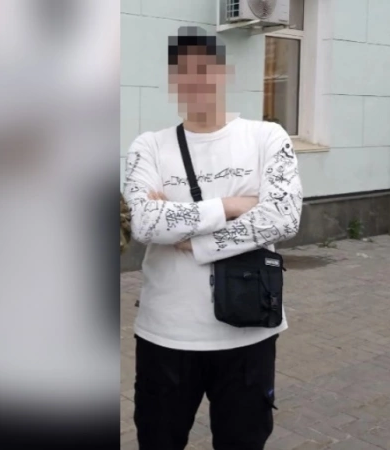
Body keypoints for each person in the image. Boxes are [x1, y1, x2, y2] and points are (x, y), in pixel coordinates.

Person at [123, 26, 303, 450]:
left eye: (206, 69)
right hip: (166, 335)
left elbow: (283, 216)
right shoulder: (149, 146)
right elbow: (144, 223)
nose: (196, 80)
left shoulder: (266, 137)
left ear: (225, 73)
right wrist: (232, 205)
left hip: (248, 334)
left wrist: (195, 241)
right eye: (184, 71)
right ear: (173, 80)